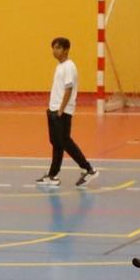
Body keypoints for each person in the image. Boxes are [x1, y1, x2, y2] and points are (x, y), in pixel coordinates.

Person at [39, 36, 96, 187]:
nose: (54, 51)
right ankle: (52, 175)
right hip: (53, 109)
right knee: (56, 143)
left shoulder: (69, 66)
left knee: (65, 141)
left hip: (61, 111)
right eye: (53, 48)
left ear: (66, 50)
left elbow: (69, 88)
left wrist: (61, 109)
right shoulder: (60, 66)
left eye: (57, 48)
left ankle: (88, 169)